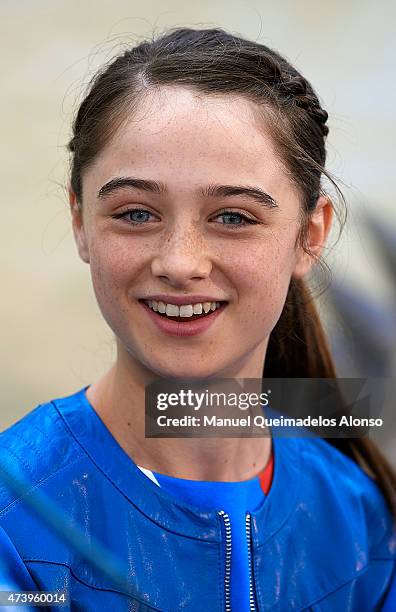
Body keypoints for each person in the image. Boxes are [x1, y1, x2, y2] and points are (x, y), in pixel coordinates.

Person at [0, 26, 395, 611]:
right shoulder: (17, 522)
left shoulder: (357, 518)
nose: (179, 263)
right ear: (81, 222)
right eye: (136, 213)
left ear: (310, 236)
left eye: (233, 218)